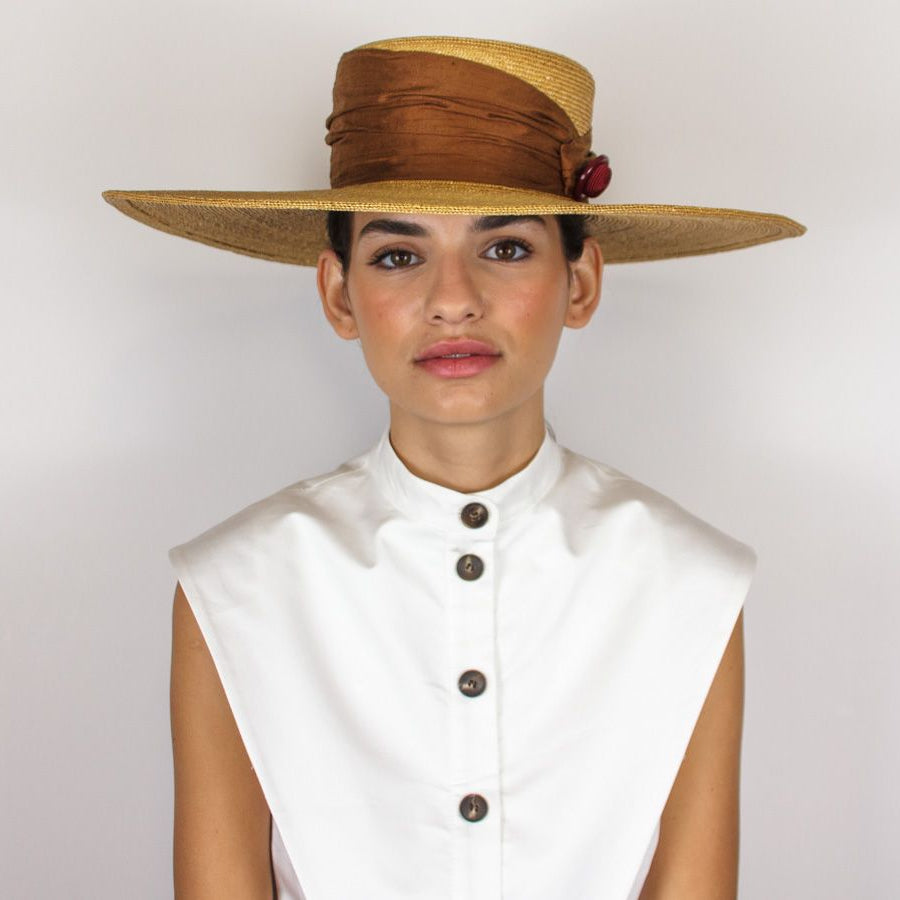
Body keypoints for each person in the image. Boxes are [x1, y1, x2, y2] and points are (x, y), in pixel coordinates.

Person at [103, 36, 805, 900]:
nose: (453, 300)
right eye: (399, 255)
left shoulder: (689, 581)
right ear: (338, 294)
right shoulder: (234, 586)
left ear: (581, 282)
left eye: (504, 248)